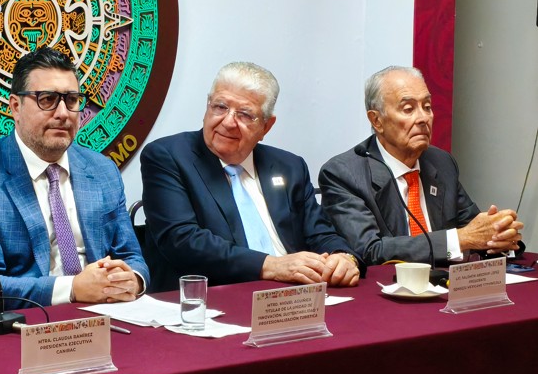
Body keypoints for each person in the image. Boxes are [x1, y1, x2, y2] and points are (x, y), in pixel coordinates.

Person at [0, 47, 149, 316]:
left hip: (99, 317)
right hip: (11, 326)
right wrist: (73, 288)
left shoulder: (102, 171)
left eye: (71, 100)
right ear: (15, 107)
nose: (63, 113)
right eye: (47, 99)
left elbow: (132, 257)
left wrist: (132, 280)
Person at [140, 62, 362, 293]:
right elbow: (182, 241)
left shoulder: (289, 166)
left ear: (266, 126)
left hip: (294, 296)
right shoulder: (168, 156)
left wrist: (343, 257)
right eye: (220, 107)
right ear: (207, 106)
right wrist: (271, 266)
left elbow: (319, 232)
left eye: (245, 114)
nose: (228, 122)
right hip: (216, 294)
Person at [318, 66, 524, 265]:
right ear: (377, 120)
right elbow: (370, 251)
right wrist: (460, 239)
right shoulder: (344, 173)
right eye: (408, 109)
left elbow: (474, 230)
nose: (424, 118)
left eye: (427, 107)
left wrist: (498, 235)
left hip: (445, 282)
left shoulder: (441, 163)